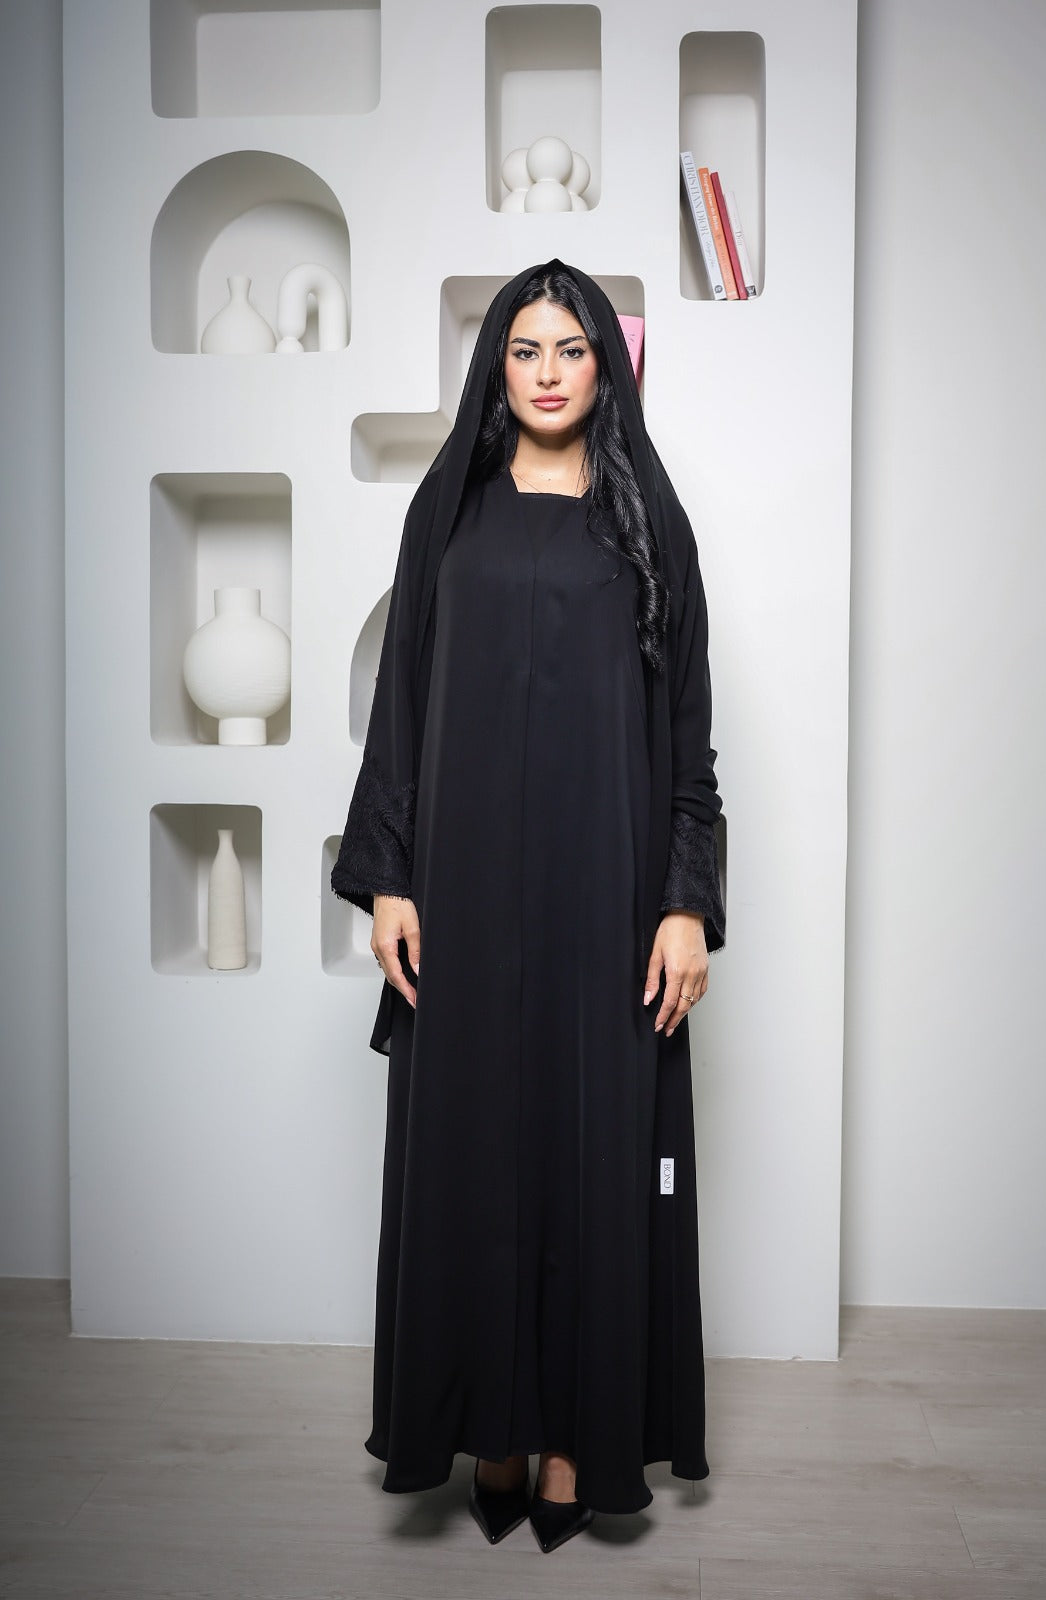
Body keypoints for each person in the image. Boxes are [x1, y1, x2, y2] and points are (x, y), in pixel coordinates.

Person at [331, 259, 726, 1553]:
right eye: (525, 349)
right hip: (462, 899)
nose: (548, 372)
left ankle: (574, 1442)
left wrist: (684, 905)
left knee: (592, 1163)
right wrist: (390, 876)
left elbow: (689, 736)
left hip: (607, 903)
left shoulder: (647, 523)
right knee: (472, 1157)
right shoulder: (447, 511)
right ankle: (489, 1429)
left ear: (606, 364)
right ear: (494, 366)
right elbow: (400, 703)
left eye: (571, 348)